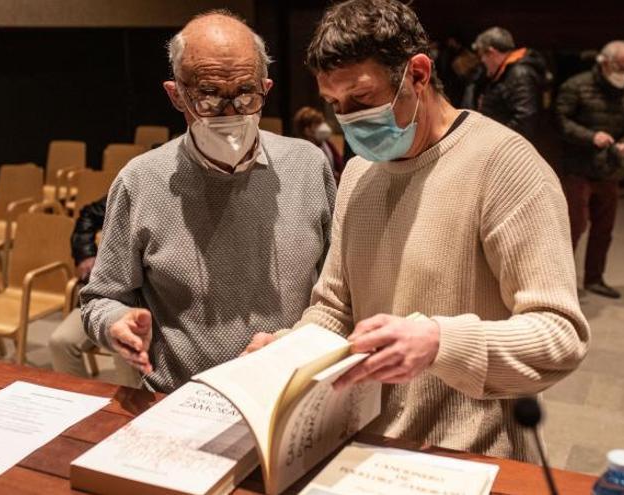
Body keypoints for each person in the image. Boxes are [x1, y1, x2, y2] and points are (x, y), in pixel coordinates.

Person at [246, 0, 589, 462]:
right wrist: (288, 352)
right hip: (364, 441)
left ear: (419, 74)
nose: (348, 121)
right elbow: (334, 307)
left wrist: (441, 344)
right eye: (335, 105)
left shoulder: (504, 164)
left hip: (473, 451)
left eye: (363, 100)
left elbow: (559, 337)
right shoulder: (359, 172)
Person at [80, 10, 336, 392]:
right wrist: (114, 322)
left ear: (265, 88)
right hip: (183, 399)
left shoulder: (308, 166)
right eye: (209, 96)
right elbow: (100, 297)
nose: (230, 113)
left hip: (294, 390)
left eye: (246, 94)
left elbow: (339, 289)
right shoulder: (141, 180)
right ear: (176, 94)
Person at [555, 41, 624, 299]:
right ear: (605, 63)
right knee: (574, 226)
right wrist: (591, 137)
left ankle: (594, 278)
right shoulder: (575, 86)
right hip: (577, 169)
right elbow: (560, 122)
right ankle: (560, 284)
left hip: (608, 170)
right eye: (621, 68)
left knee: (604, 229)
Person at [48, 197, 141, 386]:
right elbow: (88, 214)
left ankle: (129, 413)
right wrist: (86, 253)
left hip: (142, 303)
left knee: (123, 347)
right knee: (61, 341)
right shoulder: (130, 186)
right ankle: (77, 405)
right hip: (106, 294)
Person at [473, 26, 547, 141]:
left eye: (482, 55)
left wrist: (495, 141)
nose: (482, 60)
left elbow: (525, 121)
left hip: (510, 150)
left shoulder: (519, 73)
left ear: (491, 52)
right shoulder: (507, 71)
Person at [293, 106, 345, 183]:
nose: (323, 126)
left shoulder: (327, 144)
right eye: (317, 124)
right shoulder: (301, 151)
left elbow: (339, 164)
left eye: (322, 122)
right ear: (307, 130)